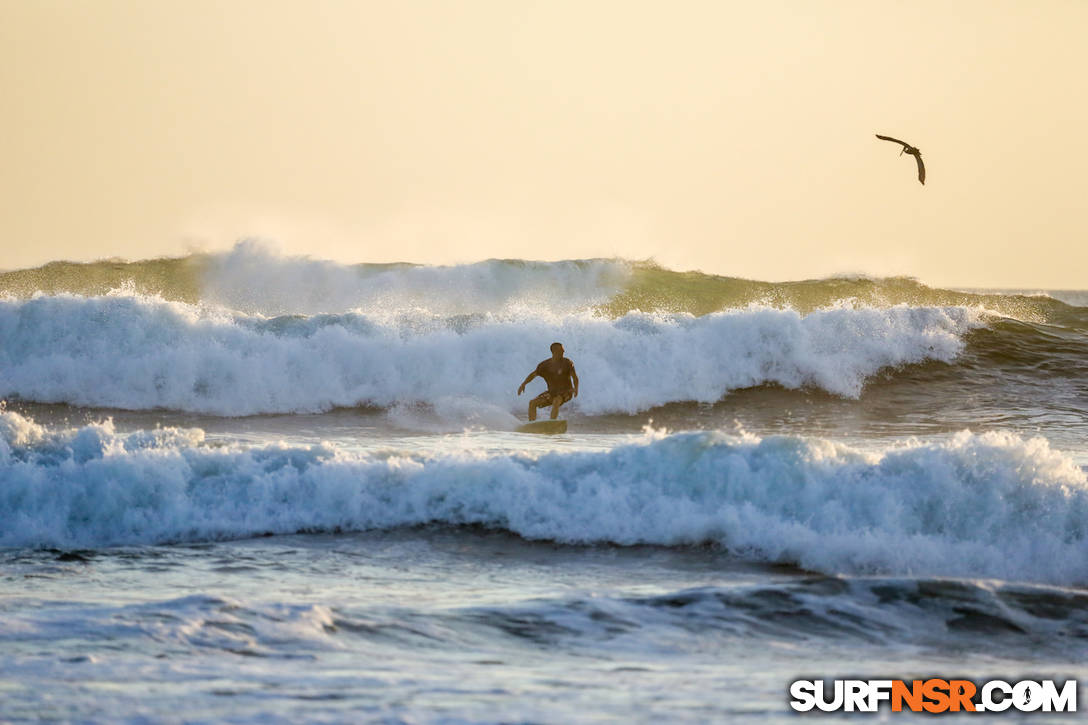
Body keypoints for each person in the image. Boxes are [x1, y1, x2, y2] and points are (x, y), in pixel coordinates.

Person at [517, 342, 579, 421]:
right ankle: (531, 425)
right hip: (552, 393)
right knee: (532, 403)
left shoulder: (567, 363)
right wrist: (523, 384)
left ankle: (552, 423)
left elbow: (575, 377)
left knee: (556, 400)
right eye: (561, 350)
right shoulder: (544, 365)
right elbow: (533, 375)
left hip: (566, 392)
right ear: (554, 351)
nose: (564, 351)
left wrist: (576, 388)